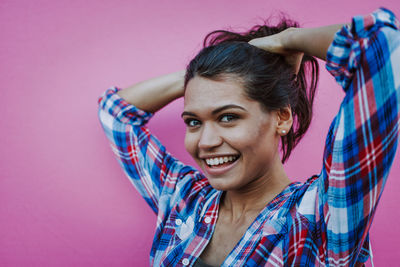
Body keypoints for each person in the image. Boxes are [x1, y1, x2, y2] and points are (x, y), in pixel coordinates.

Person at [97, 7, 399, 266]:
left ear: (282, 117)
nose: (205, 142)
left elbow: (384, 46)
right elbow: (116, 113)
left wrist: (289, 40)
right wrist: (203, 77)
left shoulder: (320, 219)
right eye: (193, 121)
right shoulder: (184, 199)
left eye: (228, 117)